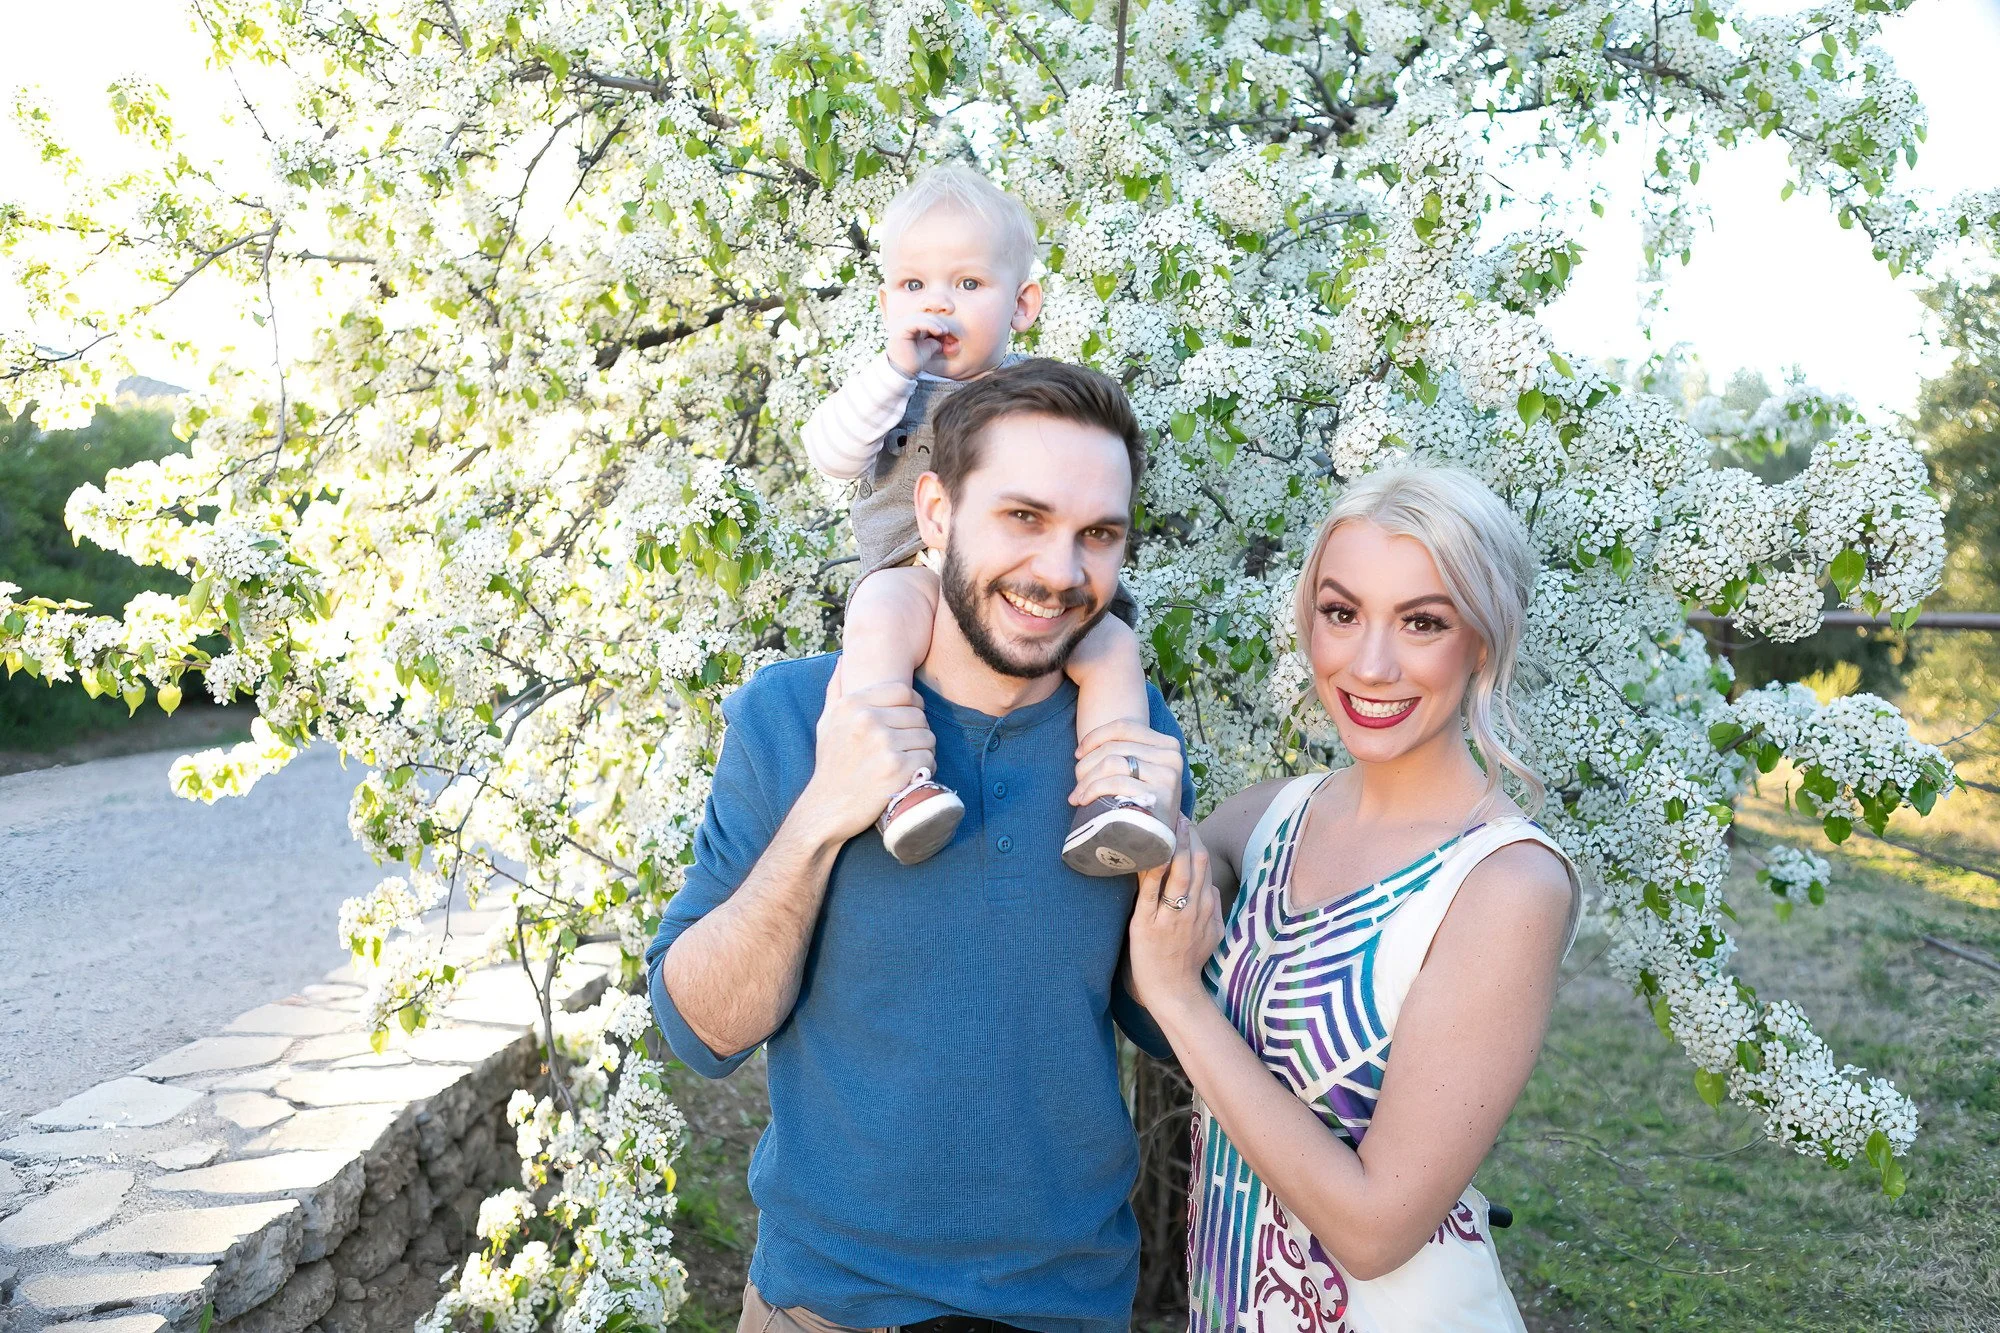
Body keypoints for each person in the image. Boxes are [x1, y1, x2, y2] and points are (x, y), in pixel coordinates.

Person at [648, 359, 1196, 1333]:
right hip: (826, 1303)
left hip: (1062, 1306)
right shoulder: (789, 715)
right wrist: (825, 809)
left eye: (1096, 535)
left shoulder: (1128, 734)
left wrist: (1179, 857)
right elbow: (702, 1029)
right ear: (936, 513)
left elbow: (1164, 1025)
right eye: (1021, 518)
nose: (1060, 572)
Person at [1125, 466, 1582, 1331]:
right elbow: (1145, 867)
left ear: (1482, 641)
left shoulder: (1504, 882)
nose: (1371, 663)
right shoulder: (1269, 818)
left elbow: (1375, 1230)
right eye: (1343, 613)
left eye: (1422, 622)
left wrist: (1180, 998)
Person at [803, 164, 1173, 876]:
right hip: (915, 567)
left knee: (1112, 649)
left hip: (1021, 584)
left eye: (968, 285)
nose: (938, 305)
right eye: (915, 286)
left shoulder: (1037, 397)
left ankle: (1115, 793)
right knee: (876, 619)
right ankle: (897, 777)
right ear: (887, 303)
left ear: (1021, 305)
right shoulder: (888, 391)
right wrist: (894, 369)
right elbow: (830, 453)